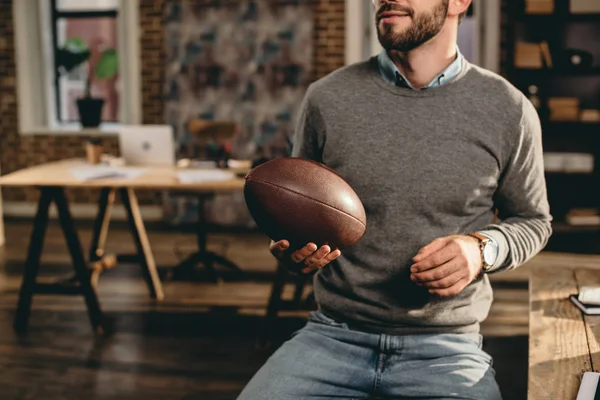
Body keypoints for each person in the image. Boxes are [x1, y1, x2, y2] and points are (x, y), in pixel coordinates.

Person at [238, 0, 552, 398]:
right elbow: (303, 213)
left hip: (446, 347)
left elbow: (533, 221)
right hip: (333, 335)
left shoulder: (509, 108)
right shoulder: (326, 98)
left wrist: (480, 250)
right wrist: (295, 252)